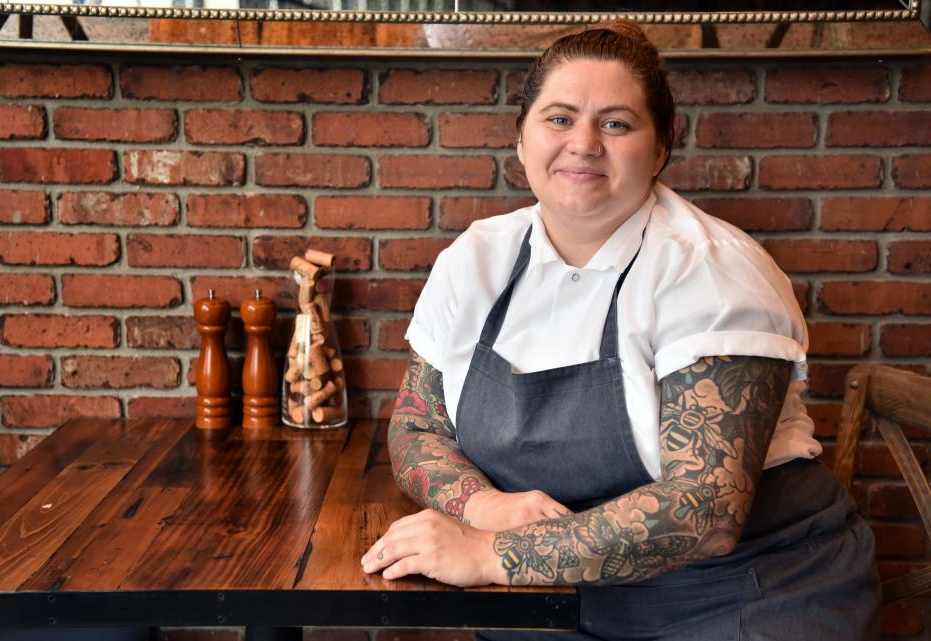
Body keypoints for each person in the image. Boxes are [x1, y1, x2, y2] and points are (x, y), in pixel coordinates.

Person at [361, 21, 880, 641]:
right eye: (558, 119)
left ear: (660, 148)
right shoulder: (476, 260)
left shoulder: (712, 270)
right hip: (551, 601)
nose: (583, 143)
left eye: (615, 123)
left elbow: (705, 510)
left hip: (740, 594)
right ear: (520, 141)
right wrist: (485, 508)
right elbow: (418, 424)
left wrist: (488, 554)